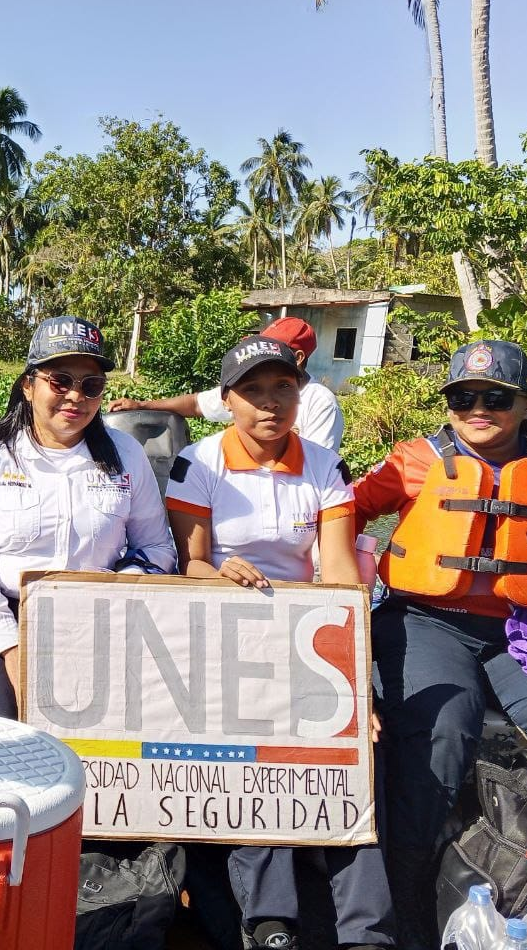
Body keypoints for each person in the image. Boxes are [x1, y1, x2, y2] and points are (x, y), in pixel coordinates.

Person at [165, 334, 394, 950]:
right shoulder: (199, 463)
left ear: (301, 392)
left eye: (283, 388)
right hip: (224, 624)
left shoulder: (323, 465)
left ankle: (366, 930)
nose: (270, 404)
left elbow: (341, 573)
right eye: (253, 391)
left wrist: (354, 684)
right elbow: (188, 567)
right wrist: (221, 572)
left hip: (305, 629)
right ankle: (272, 919)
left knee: (351, 760)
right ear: (227, 400)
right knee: (256, 754)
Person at [353, 339, 527, 949]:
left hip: (524, 635)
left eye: (496, 398)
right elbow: (340, 511)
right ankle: (408, 903)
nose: (479, 408)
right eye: (464, 397)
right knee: (442, 733)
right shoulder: (414, 460)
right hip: (426, 621)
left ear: (525, 403)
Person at [0, 315, 176, 718]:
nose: (75, 396)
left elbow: (156, 546)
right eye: (60, 381)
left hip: (103, 617)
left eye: (91, 386)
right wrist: (10, 645)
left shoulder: (127, 455)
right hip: (3, 616)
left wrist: (122, 587)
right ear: (29, 385)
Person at [110, 316, 344, 452]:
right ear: (228, 401)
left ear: (299, 358)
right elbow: (196, 404)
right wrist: (142, 404)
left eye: (273, 349)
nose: (269, 403)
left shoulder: (319, 401)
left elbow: (317, 464)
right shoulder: (244, 392)